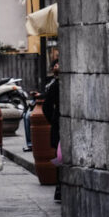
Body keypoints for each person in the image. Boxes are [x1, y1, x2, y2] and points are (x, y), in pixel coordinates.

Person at [43, 58, 61, 202]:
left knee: (59, 157)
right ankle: (59, 187)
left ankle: (60, 187)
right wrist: (54, 120)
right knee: (58, 157)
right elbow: (46, 107)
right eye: (55, 64)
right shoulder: (55, 85)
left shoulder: (56, 84)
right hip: (59, 126)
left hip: (58, 125)